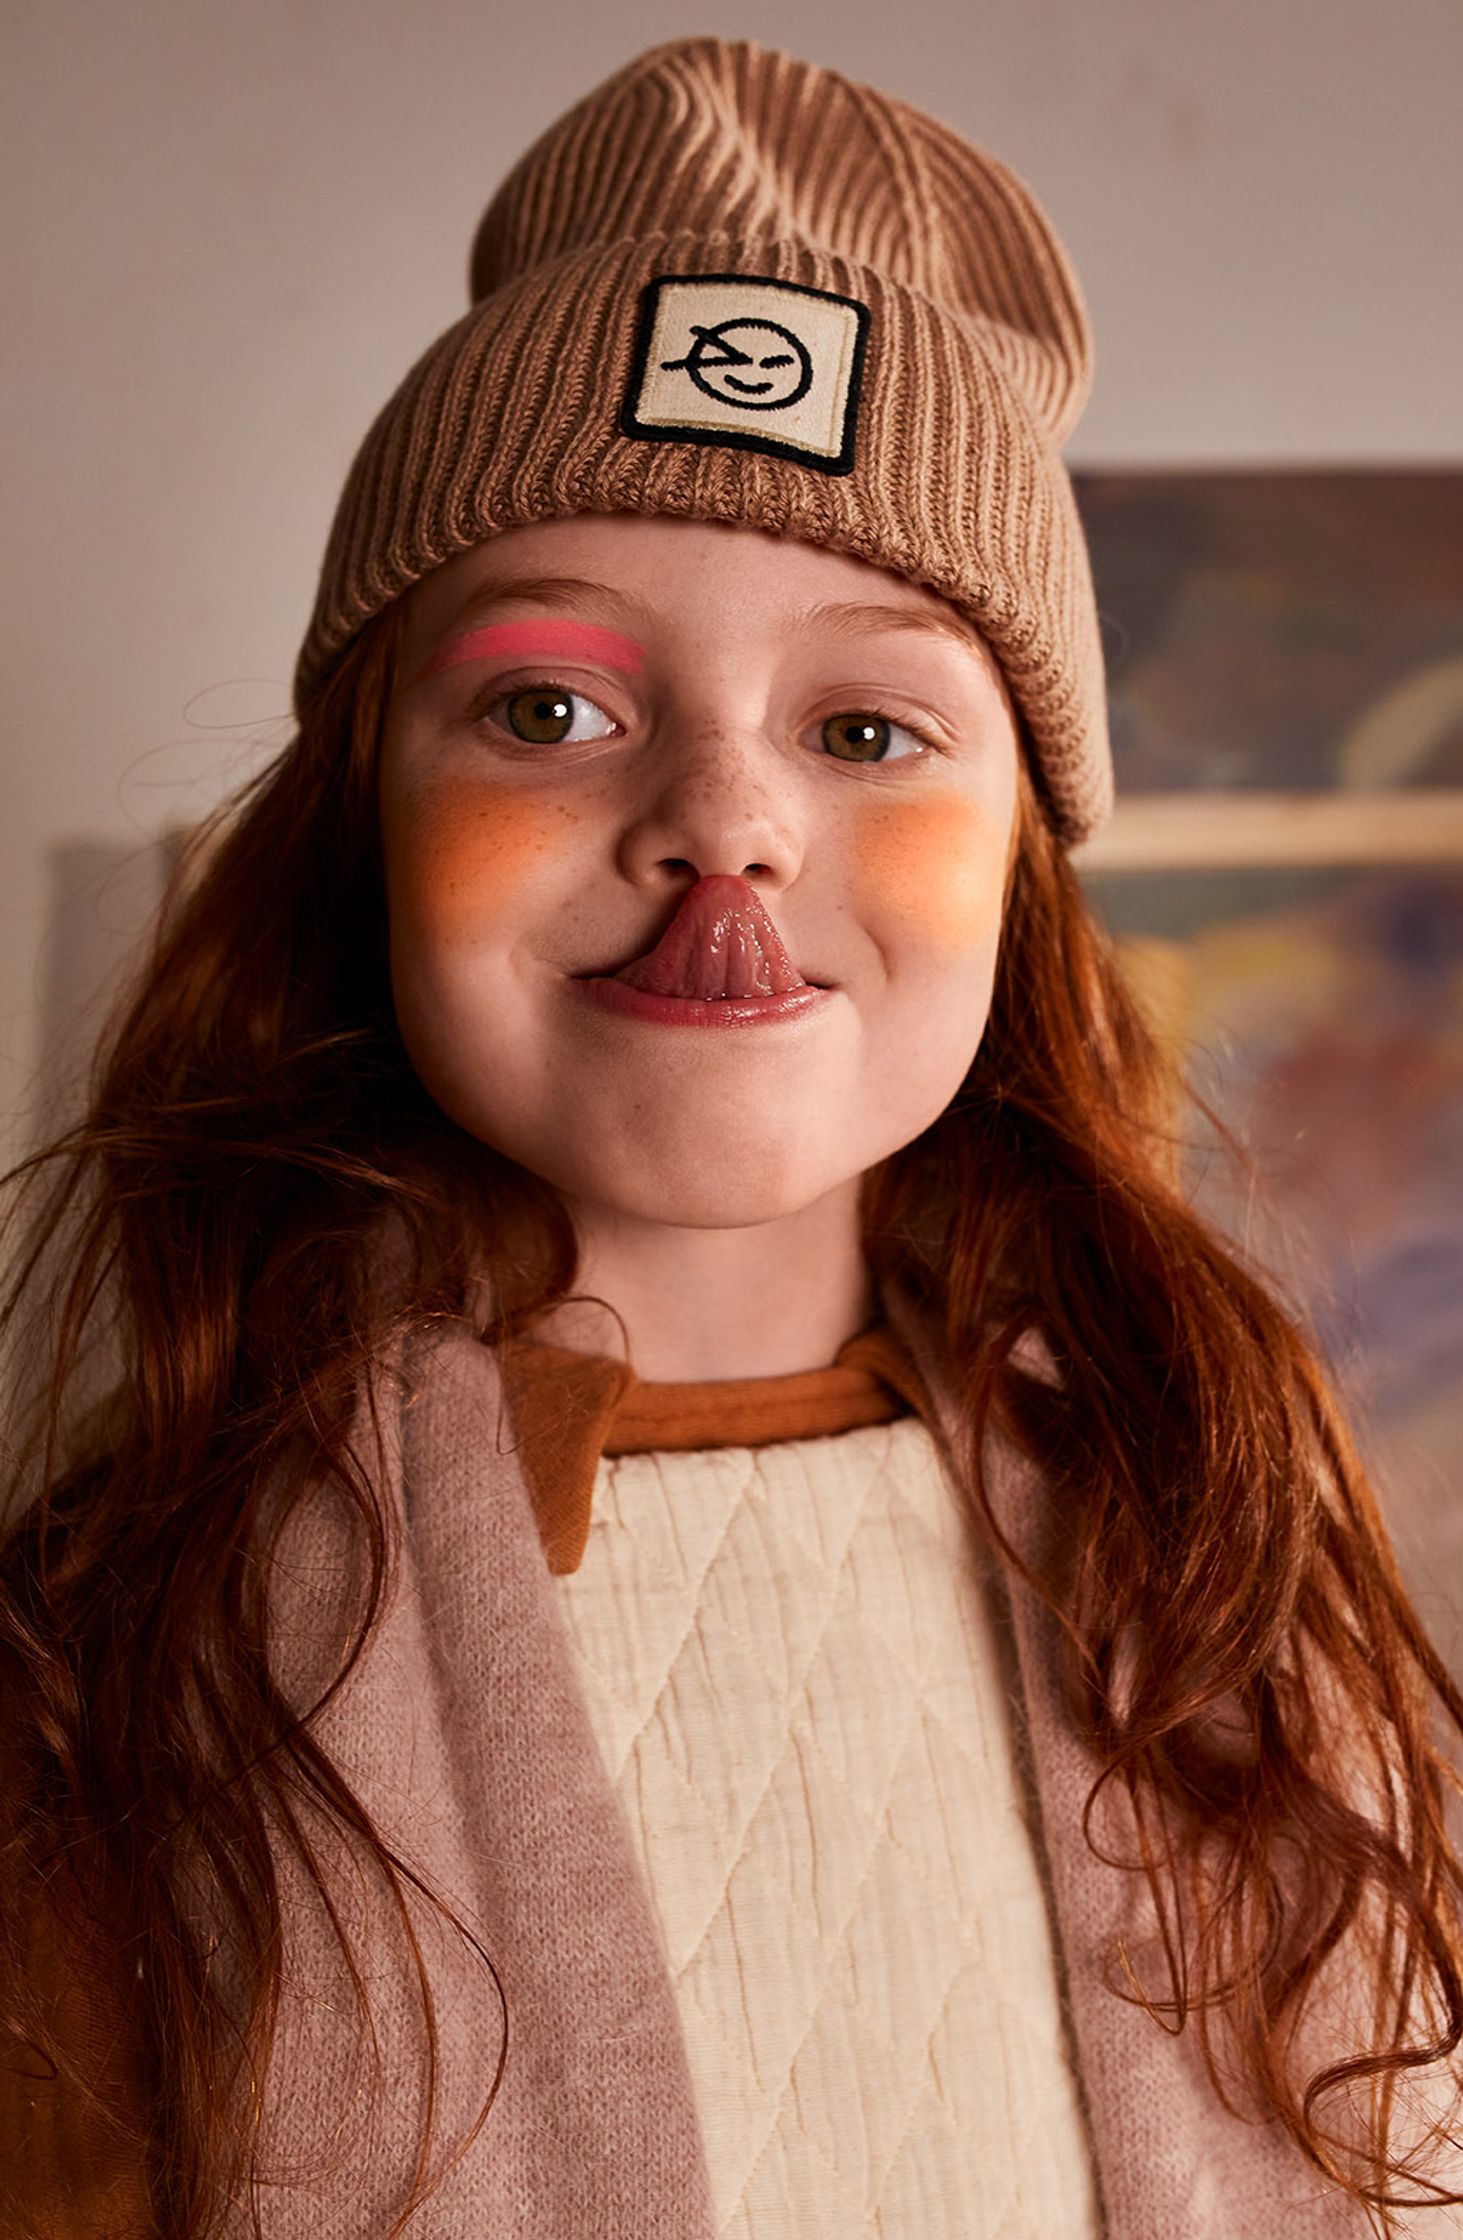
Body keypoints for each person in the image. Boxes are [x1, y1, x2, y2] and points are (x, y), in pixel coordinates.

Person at [1, 34, 1459, 2240]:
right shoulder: (105, 1688)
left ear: (1020, 878)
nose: (728, 820)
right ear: (360, 827)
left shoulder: (1246, 1613)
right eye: (552, 708)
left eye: (869, 725)